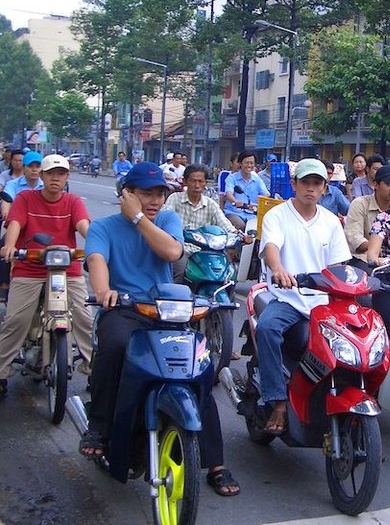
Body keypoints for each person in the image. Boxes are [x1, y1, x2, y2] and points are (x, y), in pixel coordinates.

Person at [81, 161, 239, 496]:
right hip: (124, 309)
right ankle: (99, 426)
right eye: (145, 194)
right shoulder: (103, 227)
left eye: (159, 194)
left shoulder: (166, 220)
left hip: (166, 311)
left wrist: (138, 218)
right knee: (114, 345)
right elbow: (96, 262)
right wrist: (103, 291)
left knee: (199, 370)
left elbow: (171, 251)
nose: (154, 200)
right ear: (127, 194)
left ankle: (216, 464)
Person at [255, 159, 351, 434]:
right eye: (305, 182)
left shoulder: (331, 222)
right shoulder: (278, 215)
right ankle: (278, 402)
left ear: (324, 188)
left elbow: (339, 266)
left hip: (322, 303)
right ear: (294, 184)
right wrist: (278, 269)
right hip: (288, 298)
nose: (310, 188)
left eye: (316, 183)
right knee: (267, 328)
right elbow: (271, 246)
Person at [0, 155, 92, 399]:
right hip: (30, 267)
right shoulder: (25, 198)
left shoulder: (73, 202)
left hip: (66, 268)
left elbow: (84, 226)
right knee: (16, 320)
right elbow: (15, 225)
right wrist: (10, 247)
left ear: (66, 178)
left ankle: (95, 369)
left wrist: (96, 247)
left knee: (84, 317)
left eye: (61, 174)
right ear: (41, 176)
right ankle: (1, 371)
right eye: (51, 173)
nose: (55, 178)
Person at [162, 164, 242, 282]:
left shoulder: (210, 204)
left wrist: (239, 235)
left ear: (205, 183)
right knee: (180, 270)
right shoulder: (175, 199)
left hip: (206, 253)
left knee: (227, 274)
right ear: (185, 181)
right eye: (193, 181)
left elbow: (224, 223)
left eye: (200, 181)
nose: (197, 185)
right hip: (182, 250)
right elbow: (165, 218)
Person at [345, 165, 390, 269]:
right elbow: (354, 237)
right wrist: (375, 247)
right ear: (375, 185)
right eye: (388, 184)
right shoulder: (360, 204)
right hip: (364, 259)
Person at [223, 150, 269, 231]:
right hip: (234, 212)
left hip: (252, 214)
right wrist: (236, 202)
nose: (249, 165)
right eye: (246, 163)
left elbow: (266, 194)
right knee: (241, 225)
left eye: (251, 163)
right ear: (240, 163)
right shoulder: (232, 178)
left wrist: (257, 204)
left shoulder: (257, 179)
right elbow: (229, 194)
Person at [2, 151, 44, 217]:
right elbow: (7, 200)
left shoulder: (46, 185)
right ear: (24, 168)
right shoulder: (12, 184)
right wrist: (5, 213)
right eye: (30, 166)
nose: (34, 169)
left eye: (37, 167)